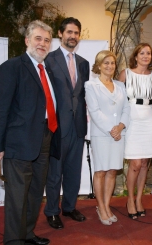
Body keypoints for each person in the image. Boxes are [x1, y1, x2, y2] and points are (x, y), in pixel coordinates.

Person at [0, 20, 59, 245]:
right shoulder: (11, 68)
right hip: (19, 143)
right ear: (27, 40)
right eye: (38, 38)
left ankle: (27, 235)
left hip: (44, 140)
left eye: (47, 40)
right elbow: (0, 110)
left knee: (35, 194)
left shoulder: (47, 69)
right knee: (17, 198)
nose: (43, 44)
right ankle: (14, 241)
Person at [44, 17, 90, 229]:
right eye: (69, 32)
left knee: (73, 170)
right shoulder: (48, 59)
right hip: (57, 126)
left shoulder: (83, 63)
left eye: (76, 33)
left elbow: (80, 96)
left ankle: (69, 207)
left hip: (78, 126)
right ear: (60, 34)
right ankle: (52, 211)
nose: (73, 36)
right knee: (55, 172)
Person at [85, 50, 130, 225]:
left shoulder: (121, 85)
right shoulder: (90, 85)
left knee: (112, 171)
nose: (109, 66)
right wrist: (111, 129)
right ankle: (101, 207)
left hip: (119, 134)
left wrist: (120, 127)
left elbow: (126, 109)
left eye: (112, 63)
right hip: (102, 135)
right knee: (101, 171)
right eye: (106, 63)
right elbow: (94, 111)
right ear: (98, 65)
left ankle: (107, 205)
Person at [118, 43, 152, 219]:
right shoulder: (125, 74)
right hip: (132, 120)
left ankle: (140, 199)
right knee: (134, 164)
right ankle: (130, 199)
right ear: (135, 56)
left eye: (148, 53)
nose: (145, 56)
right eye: (142, 53)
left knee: (144, 164)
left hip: (149, 120)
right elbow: (116, 98)